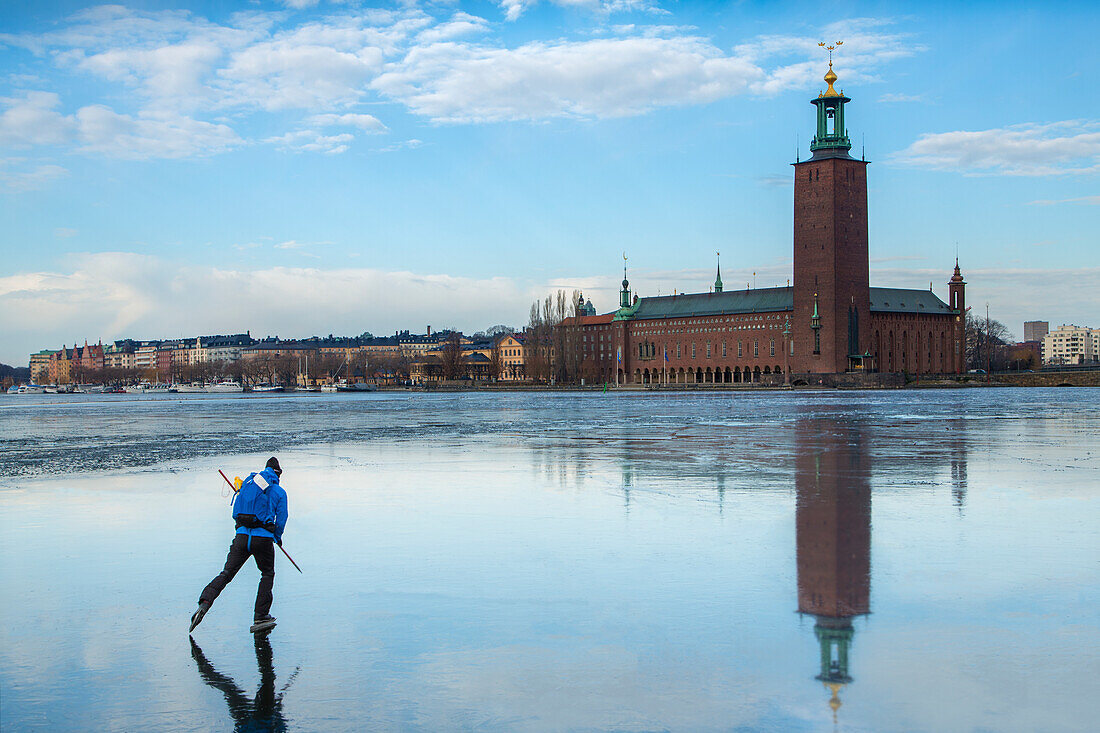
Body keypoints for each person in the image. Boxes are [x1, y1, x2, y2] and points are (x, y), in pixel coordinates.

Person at [191, 457, 288, 634]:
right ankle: (261, 616)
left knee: (226, 573)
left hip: (242, 538)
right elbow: (281, 519)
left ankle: (204, 603)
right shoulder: (278, 491)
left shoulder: (247, 485)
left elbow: (236, 513)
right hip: (263, 540)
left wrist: (241, 530)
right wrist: (277, 537)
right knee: (267, 574)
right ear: (278, 474)